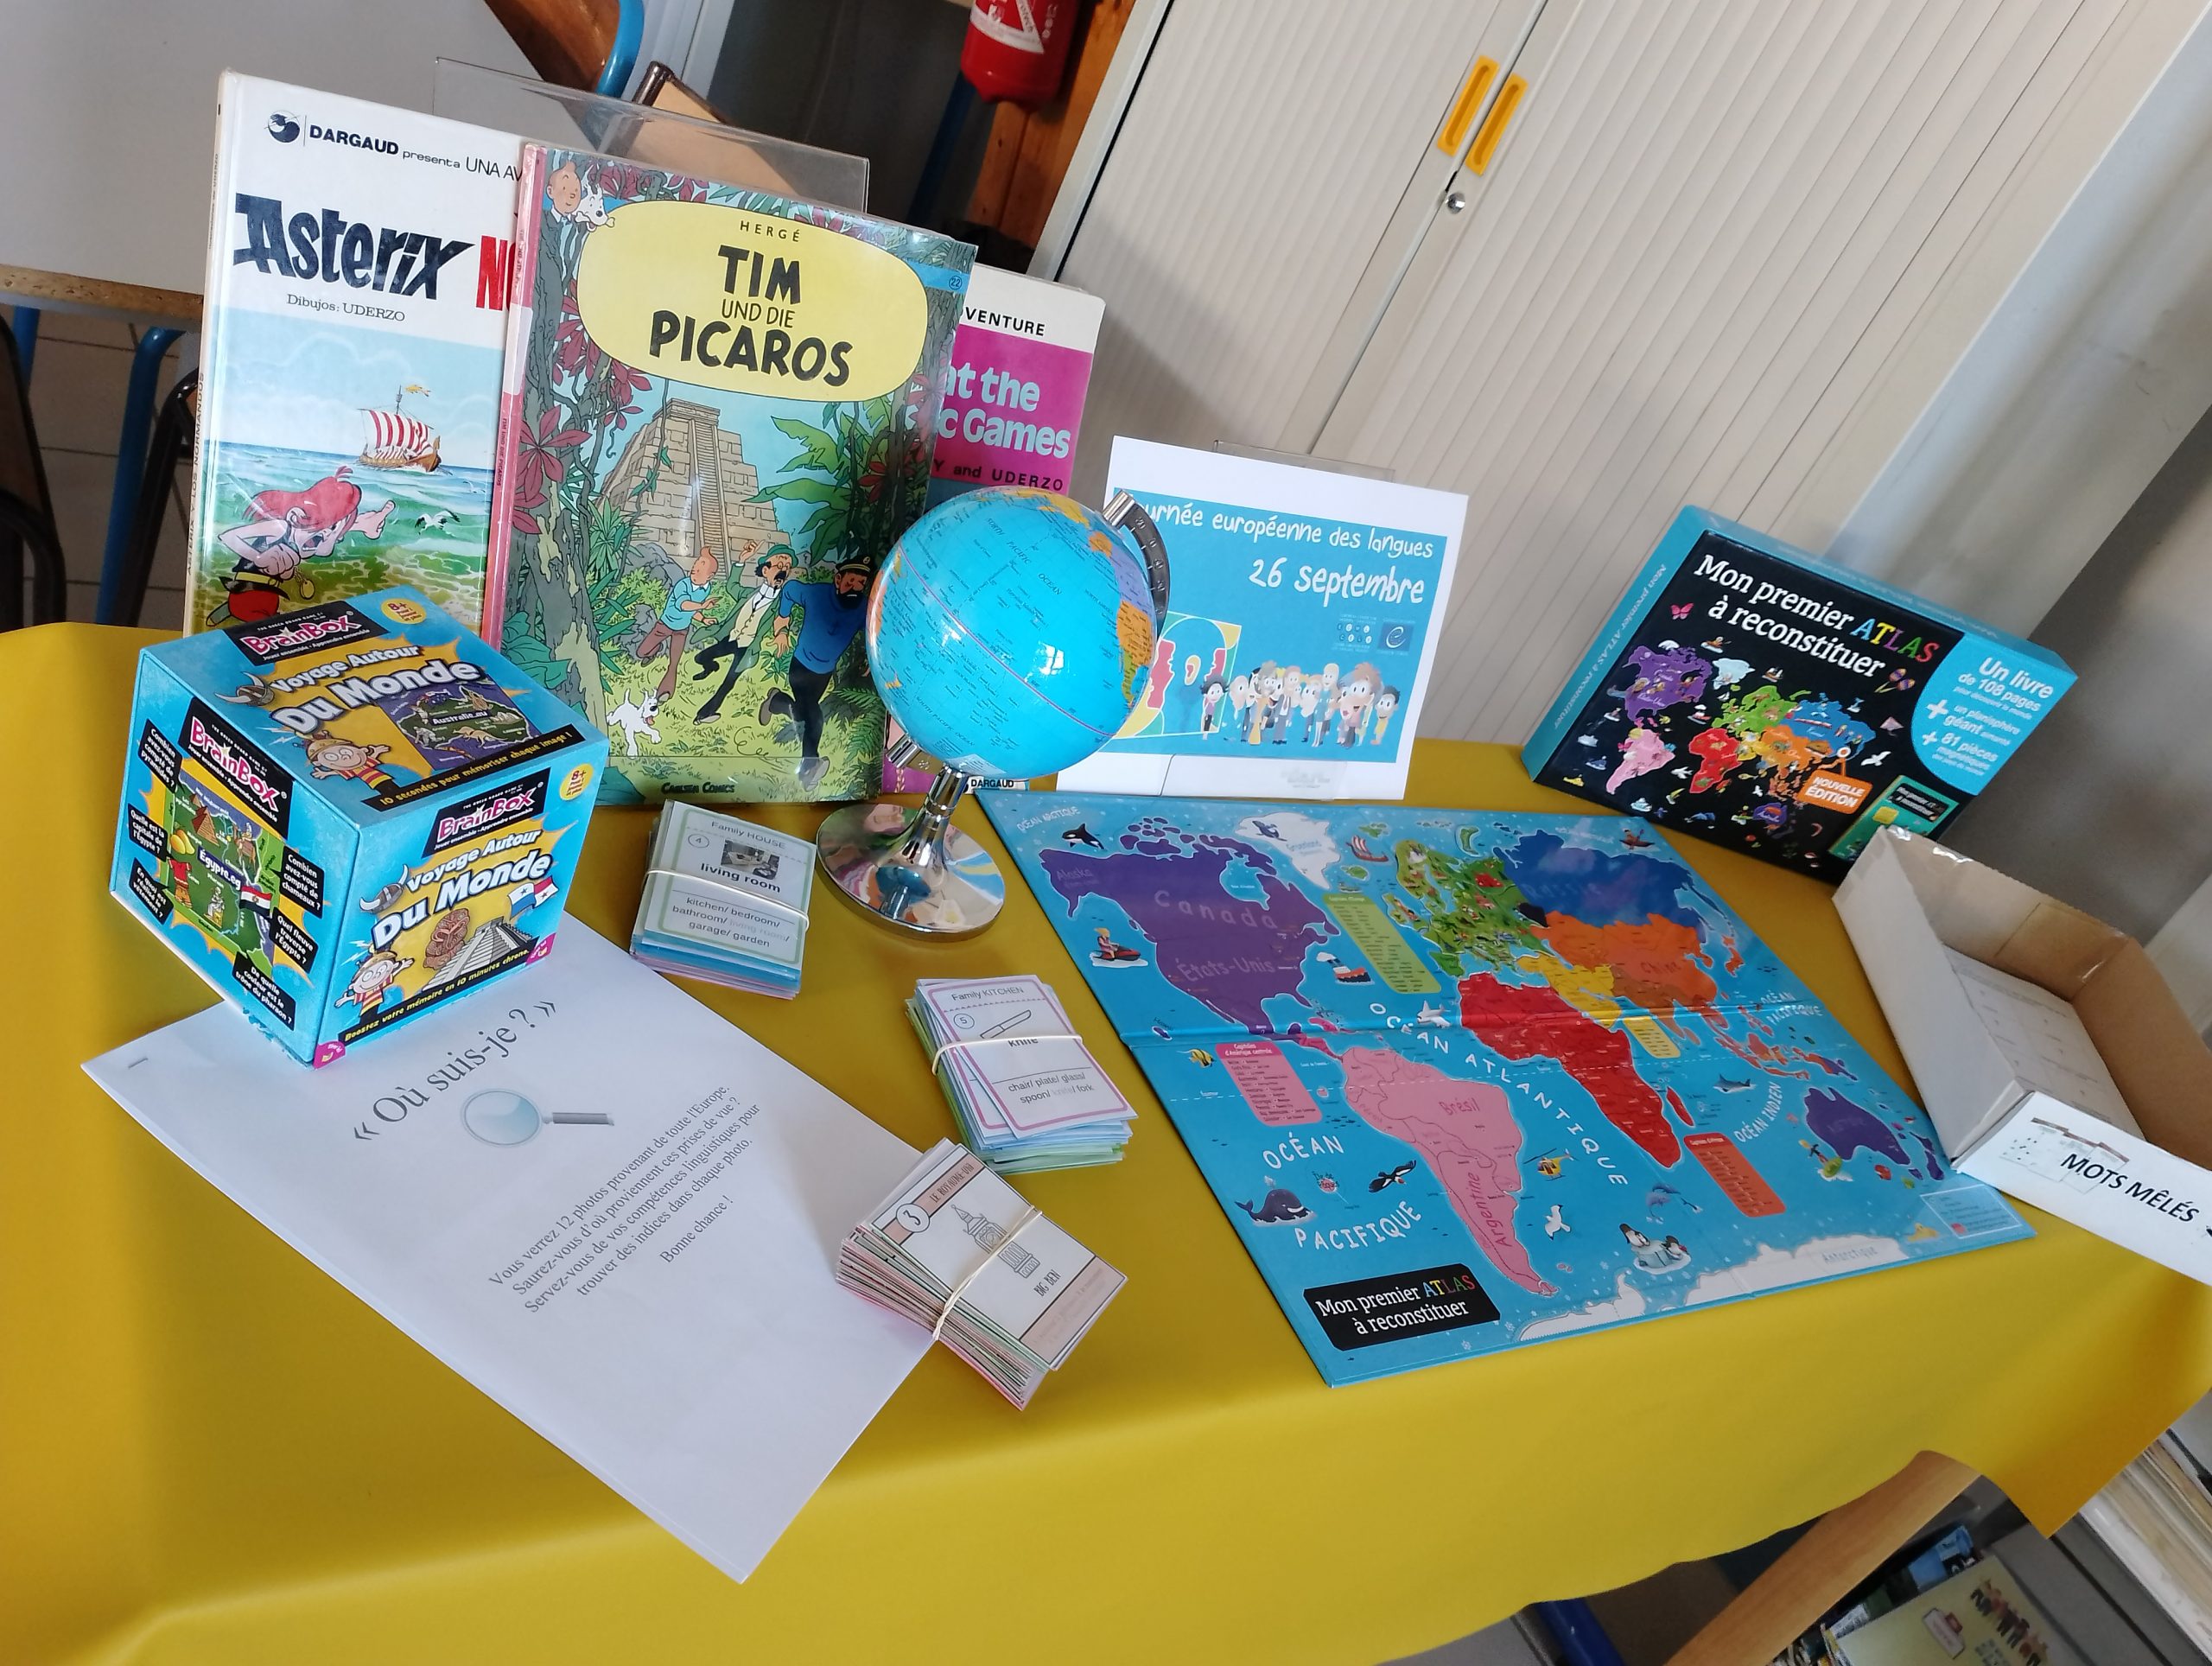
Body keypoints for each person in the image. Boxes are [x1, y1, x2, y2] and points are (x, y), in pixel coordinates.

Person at [213, 468, 394, 624]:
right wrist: (259, 557)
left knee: (268, 612)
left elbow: (327, 542)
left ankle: (231, 609)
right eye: (326, 526)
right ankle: (231, 608)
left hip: (270, 592)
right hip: (247, 590)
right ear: (295, 516)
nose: (327, 536)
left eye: (334, 530)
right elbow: (228, 536)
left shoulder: (311, 540)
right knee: (259, 620)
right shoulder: (280, 528)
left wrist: (362, 525)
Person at [759, 558, 873, 789]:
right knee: (815, 716)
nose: (856, 587)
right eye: (851, 581)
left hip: (824, 673)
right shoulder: (817, 594)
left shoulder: (863, 608)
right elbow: (789, 589)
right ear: (838, 580)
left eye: (861, 583)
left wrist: (871, 654)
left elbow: (873, 627)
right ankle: (809, 767)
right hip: (801, 666)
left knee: (802, 714)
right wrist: (782, 623)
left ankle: (776, 701)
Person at [691, 544, 792, 723]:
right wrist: (741, 561)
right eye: (779, 566)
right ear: (765, 570)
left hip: (747, 648)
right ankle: (711, 667)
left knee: (728, 683)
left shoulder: (780, 603)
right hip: (730, 638)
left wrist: (782, 633)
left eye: (787, 567)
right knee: (700, 658)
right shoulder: (748, 594)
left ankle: (704, 714)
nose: (783, 571)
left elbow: (782, 619)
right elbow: (731, 586)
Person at [634, 546, 719, 700]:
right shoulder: (683, 585)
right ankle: (655, 650)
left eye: (699, 571)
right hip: (665, 625)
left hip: (682, 630)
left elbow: (691, 610)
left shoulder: (705, 590)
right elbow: (684, 605)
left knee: (674, 662)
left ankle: (664, 693)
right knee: (641, 652)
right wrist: (702, 606)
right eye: (693, 570)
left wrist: (703, 619)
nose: (694, 573)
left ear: (709, 576)